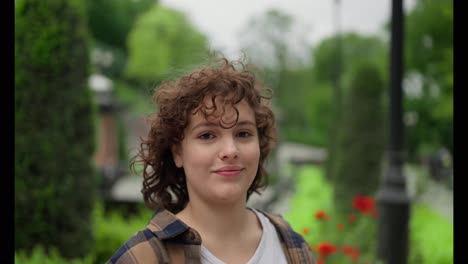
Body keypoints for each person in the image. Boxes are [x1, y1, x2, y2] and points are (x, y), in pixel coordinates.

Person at [107, 57, 317, 264]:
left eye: (243, 133)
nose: (230, 150)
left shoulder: (291, 247)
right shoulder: (144, 257)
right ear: (178, 153)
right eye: (207, 135)